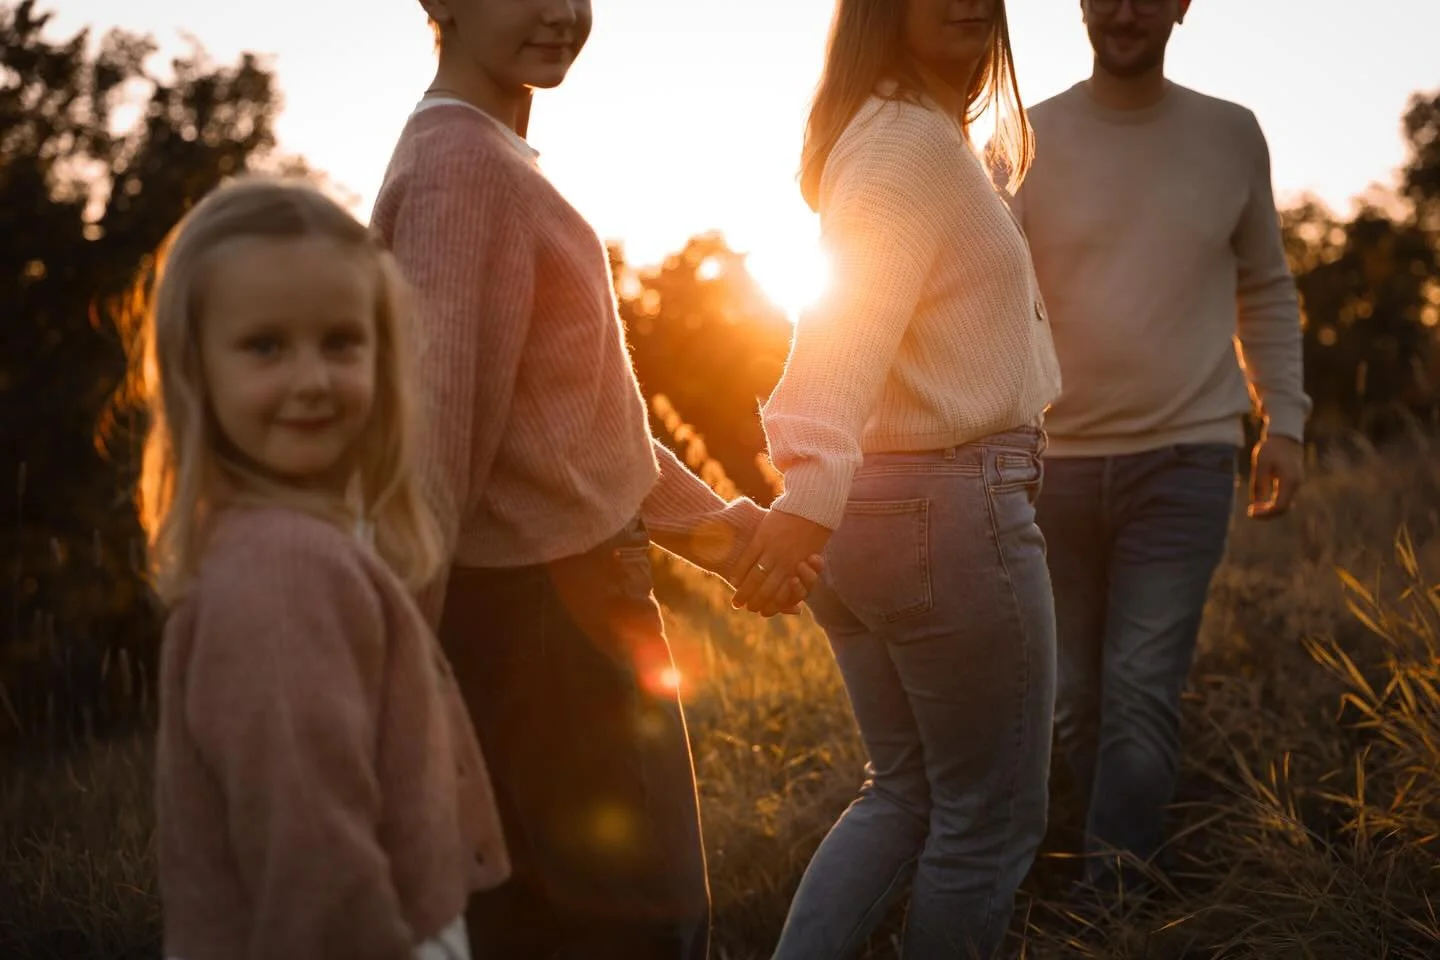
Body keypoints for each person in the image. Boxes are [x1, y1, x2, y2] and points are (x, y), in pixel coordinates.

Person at [371, 2, 822, 957]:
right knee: (641, 931)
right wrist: (396, 683)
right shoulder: (465, 168)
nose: (562, 12)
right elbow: (434, 447)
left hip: (552, 607)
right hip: (546, 626)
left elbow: (576, 431)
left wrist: (721, 535)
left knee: (554, 928)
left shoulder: (483, 158)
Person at [730, 0, 1063, 955]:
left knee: (909, 792)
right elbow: (842, 321)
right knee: (985, 820)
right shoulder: (903, 141)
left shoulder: (907, 135)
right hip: (947, 506)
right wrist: (810, 483)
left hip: (897, 512)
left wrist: (823, 491)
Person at [136, 177, 510, 960]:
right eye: (266, 345)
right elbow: (313, 857)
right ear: (194, 369)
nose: (311, 379)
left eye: (340, 342)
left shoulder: (283, 542)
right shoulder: (283, 572)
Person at [1003, 0, 1310, 897]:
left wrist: (1282, 421)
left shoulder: (1230, 134)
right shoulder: (1025, 138)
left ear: (1181, 6)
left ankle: (1114, 905)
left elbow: (1266, 286)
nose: (1126, 10)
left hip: (1187, 458)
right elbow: (992, 303)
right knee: (1078, 701)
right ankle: (1091, 853)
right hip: (1049, 469)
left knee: (1139, 691)